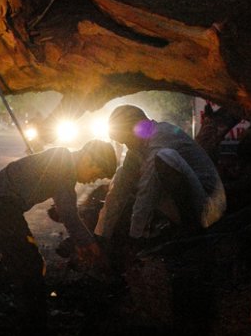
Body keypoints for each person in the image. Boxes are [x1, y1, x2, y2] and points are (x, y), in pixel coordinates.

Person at [0, 140, 117, 336]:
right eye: (95, 175)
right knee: (31, 266)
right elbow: (69, 215)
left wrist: (82, 240)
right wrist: (92, 246)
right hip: (2, 205)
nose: (90, 181)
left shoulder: (61, 160)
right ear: (89, 158)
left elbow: (61, 203)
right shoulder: (64, 167)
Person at [95, 104, 226, 244]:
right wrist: (100, 236)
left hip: (209, 209)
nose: (127, 145)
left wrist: (134, 237)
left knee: (164, 157)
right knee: (122, 174)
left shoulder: (162, 137)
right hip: (189, 204)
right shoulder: (138, 148)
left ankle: (190, 231)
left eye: (126, 139)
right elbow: (117, 193)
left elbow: (147, 191)